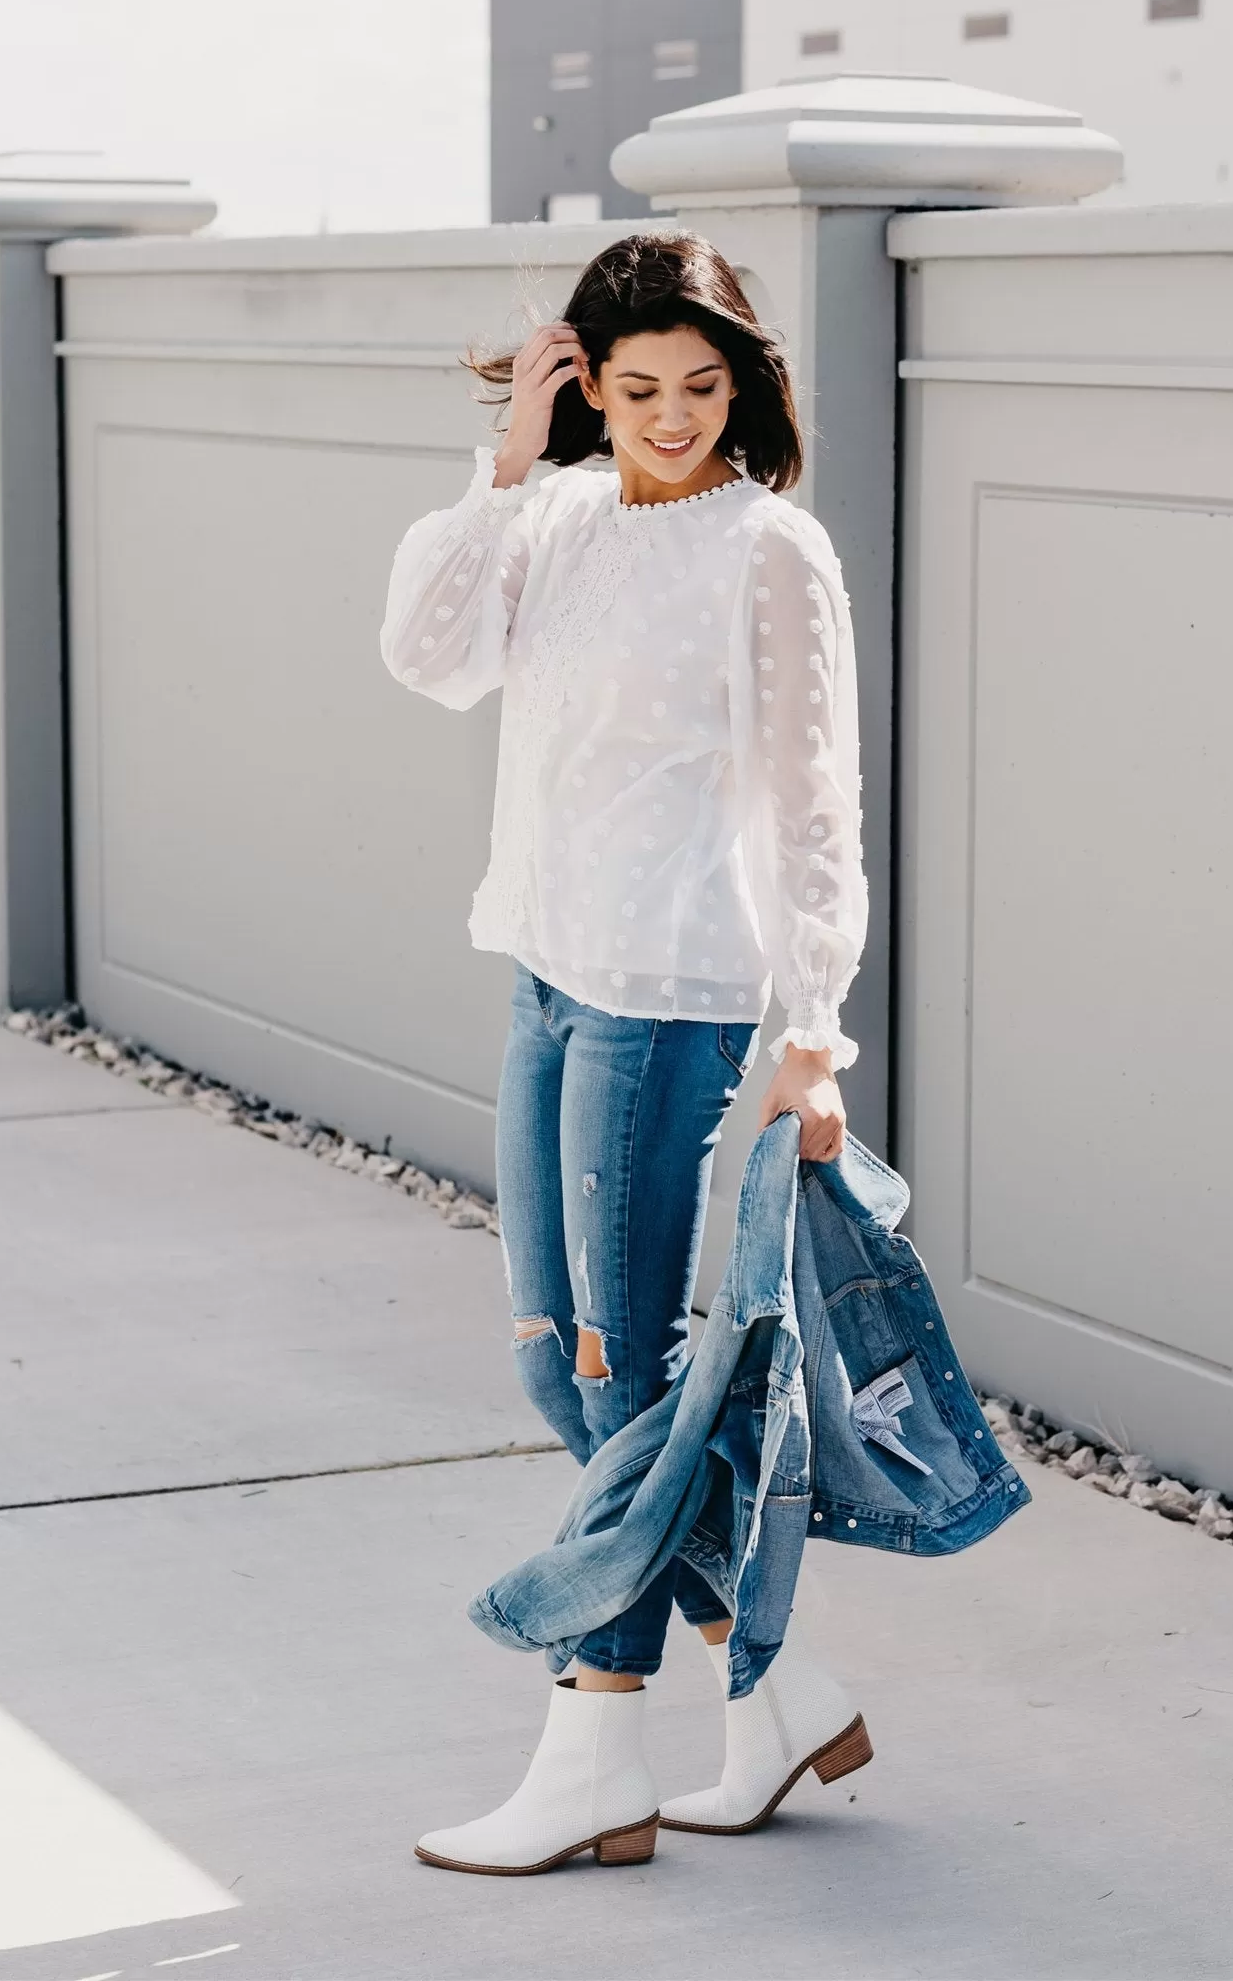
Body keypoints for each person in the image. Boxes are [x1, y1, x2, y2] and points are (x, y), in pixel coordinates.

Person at [380, 231, 868, 1875]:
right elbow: (430, 660)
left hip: (672, 991)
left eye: (702, 387)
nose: (671, 418)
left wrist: (814, 1035)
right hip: (542, 968)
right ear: (595, 384)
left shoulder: (768, 549)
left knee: (626, 1371)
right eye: (638, 387)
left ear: (748, 387)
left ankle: (597, 1748)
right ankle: (787, 1691)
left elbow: (812, 802)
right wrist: (510, 456)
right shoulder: (559, 519)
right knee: (553, 1360)